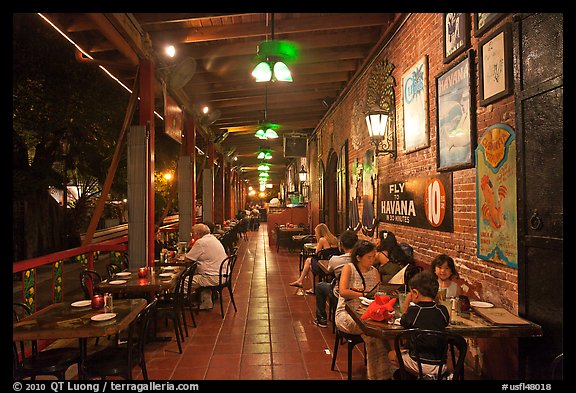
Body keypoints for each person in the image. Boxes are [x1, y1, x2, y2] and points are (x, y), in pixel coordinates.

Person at [335, 240, 393, 380]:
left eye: (374, 256)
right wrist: (364, 295)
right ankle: (381, 375)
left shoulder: (375, 272)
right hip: (347, 313)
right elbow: (343, 292)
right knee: (374, 333)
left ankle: (384, 373)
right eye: (369, 257)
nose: (372, 260)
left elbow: (378, 293)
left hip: (369, 313)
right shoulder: (349, 268)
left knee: (376, 333)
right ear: (358, 257)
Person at [388, 270, 450, 377]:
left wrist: (407, 301)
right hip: (441, 364)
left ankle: (420, 376)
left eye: (411, 292)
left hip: (420, 363)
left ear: (415, 293)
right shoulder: (443, 310)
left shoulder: (413, 311)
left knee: (392, 355)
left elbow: (403, 320)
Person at [312, 230, 358, 328]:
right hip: (358, 292)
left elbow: (328, 270)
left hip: (340, 293)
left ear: (341, 244)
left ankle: (321, 319)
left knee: (320, 286)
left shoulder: (335, 260)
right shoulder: (361, 260)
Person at [184, 223, 228, 310]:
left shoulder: (200, 242)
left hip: (213, 277)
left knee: (183, 281)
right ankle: (206, 302)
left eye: (192, 233)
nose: (192, 235)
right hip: (223, 274)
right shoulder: (213, 239)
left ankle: (180, 302)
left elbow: (188, 259)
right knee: (199, 273)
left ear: (198, 234)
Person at [289, 223, 339, 291]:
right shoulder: (334, 239)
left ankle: (310, 287)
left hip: (323, 265)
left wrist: (318, 244)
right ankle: (300, 281)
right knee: (309, 261)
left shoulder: (322, 240)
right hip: (333, 263)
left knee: (309, 263)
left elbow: (317, 252)